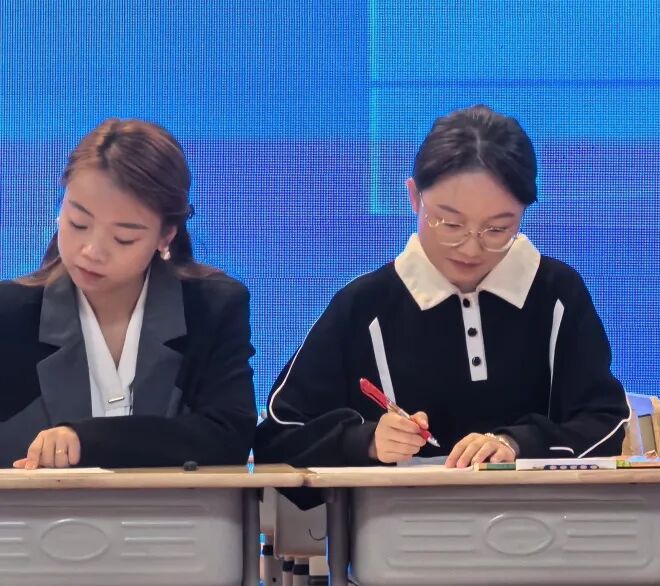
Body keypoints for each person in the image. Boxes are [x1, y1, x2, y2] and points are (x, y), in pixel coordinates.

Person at [255, 105, 629, 486]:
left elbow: (606, 424)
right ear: (414, 197)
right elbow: (279, 437)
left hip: (544, 517)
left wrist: (517, 444)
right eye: (450, 224)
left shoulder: (556, 294)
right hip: (399, 520)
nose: (471, 248)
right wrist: (366, 442)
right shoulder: (366, 306)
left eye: (498, 229)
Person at [0, 119, 256, 469]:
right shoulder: (9, 314)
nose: (92, 250)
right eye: (78, 223)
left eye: (123, 238)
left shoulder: (212, 308)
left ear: (165, 236)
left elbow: (228, 437)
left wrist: (88, 440)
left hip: (175, 508)